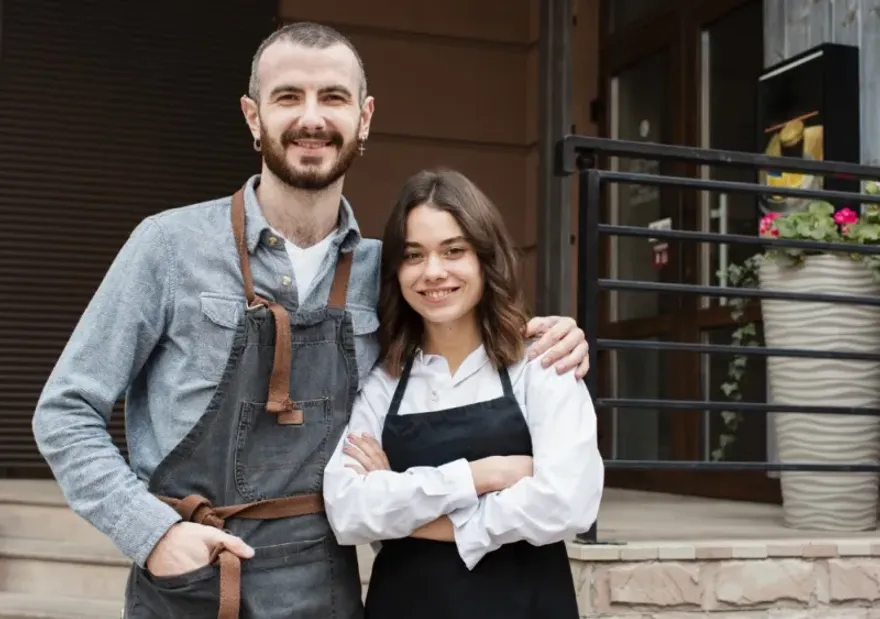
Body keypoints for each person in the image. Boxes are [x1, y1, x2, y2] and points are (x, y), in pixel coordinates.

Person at [31, 21, 590, 619]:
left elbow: (462, 325)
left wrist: (548, 333)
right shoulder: (168, 246)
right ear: (253, 117)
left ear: (364, 117)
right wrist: (151, 533)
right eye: (288, 97)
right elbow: (66, 413)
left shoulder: (389, 272)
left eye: (333, 97)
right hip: (194, 580)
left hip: (325, 592)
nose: (312, 118)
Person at [322, 168, 604, 619]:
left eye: (454, 250)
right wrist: (480, 476)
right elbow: (348, 509)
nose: (433, 272)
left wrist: (408, 508)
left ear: (484, 258)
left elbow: (568, 503)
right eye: (414, 255)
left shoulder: (543, 362)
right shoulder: (384, 382)